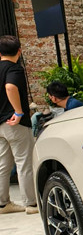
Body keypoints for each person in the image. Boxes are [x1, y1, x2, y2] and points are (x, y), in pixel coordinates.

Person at [0, 35, 37, 215]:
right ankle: (31, 204)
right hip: (14, 123)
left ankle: (3, 203)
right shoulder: (14, 68)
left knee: (3, 165)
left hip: (0, 124)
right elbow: (10, 87)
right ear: (19, 51)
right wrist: (18, 111)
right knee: (24, 162)